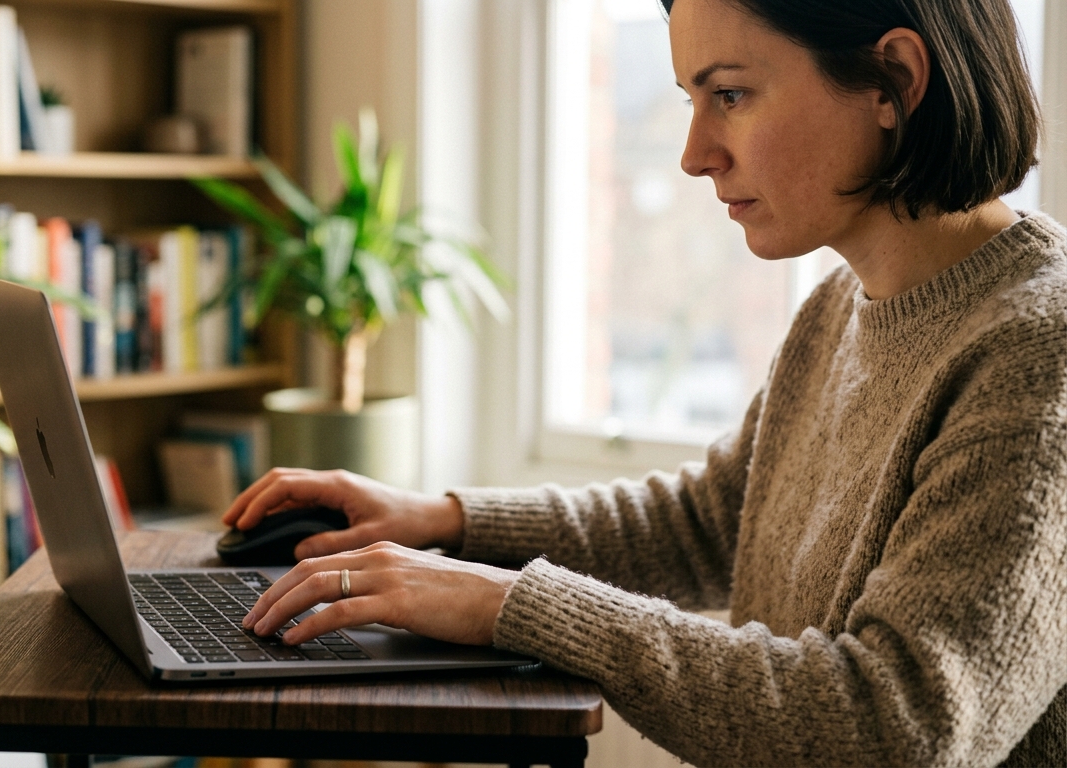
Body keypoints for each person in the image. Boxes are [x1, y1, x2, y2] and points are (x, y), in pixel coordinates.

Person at [224, 0, 1067, 764]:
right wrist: (446, 521)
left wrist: (512, 606)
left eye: (729, 94)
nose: (695, 154)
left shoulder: (1039, 353)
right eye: (689, 101)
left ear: (894, 80)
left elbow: (897, 725)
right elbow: (713, 523)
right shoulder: (841, 306)